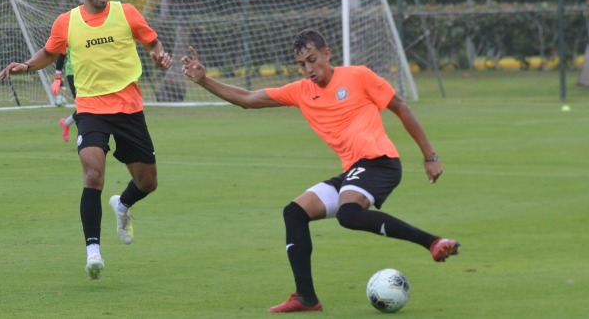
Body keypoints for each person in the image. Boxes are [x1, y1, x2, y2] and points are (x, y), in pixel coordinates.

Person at [181, 29, 460, 313]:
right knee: (295, 212)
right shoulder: (301, 91)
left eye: (313, 60)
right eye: (302, 64)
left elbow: (400, 107)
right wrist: (204, 80)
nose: (308, 69)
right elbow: (247, 99)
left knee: (348, 213)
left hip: (380, 161)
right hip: (354, 170)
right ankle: (306, 298)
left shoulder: (358, 76)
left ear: (327, 54)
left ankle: (434, 242)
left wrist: (430, 156)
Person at [0, 0, 172, 281]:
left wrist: (159, 55)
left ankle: (122, 204)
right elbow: (50, 53)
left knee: (148, 182)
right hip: (90, 108)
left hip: (129, 108)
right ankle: (93, 251)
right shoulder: (67, 22)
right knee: (93, 173)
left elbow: (153, 42)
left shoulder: (127, 13)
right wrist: (26, 65)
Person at [51, 51, 76, 142]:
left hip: (90, 73)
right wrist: (58, 78)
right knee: (84, 107)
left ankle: (66, 123)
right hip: (73, 73)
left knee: (89, 106)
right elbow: (61, 55)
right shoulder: (69, 37)